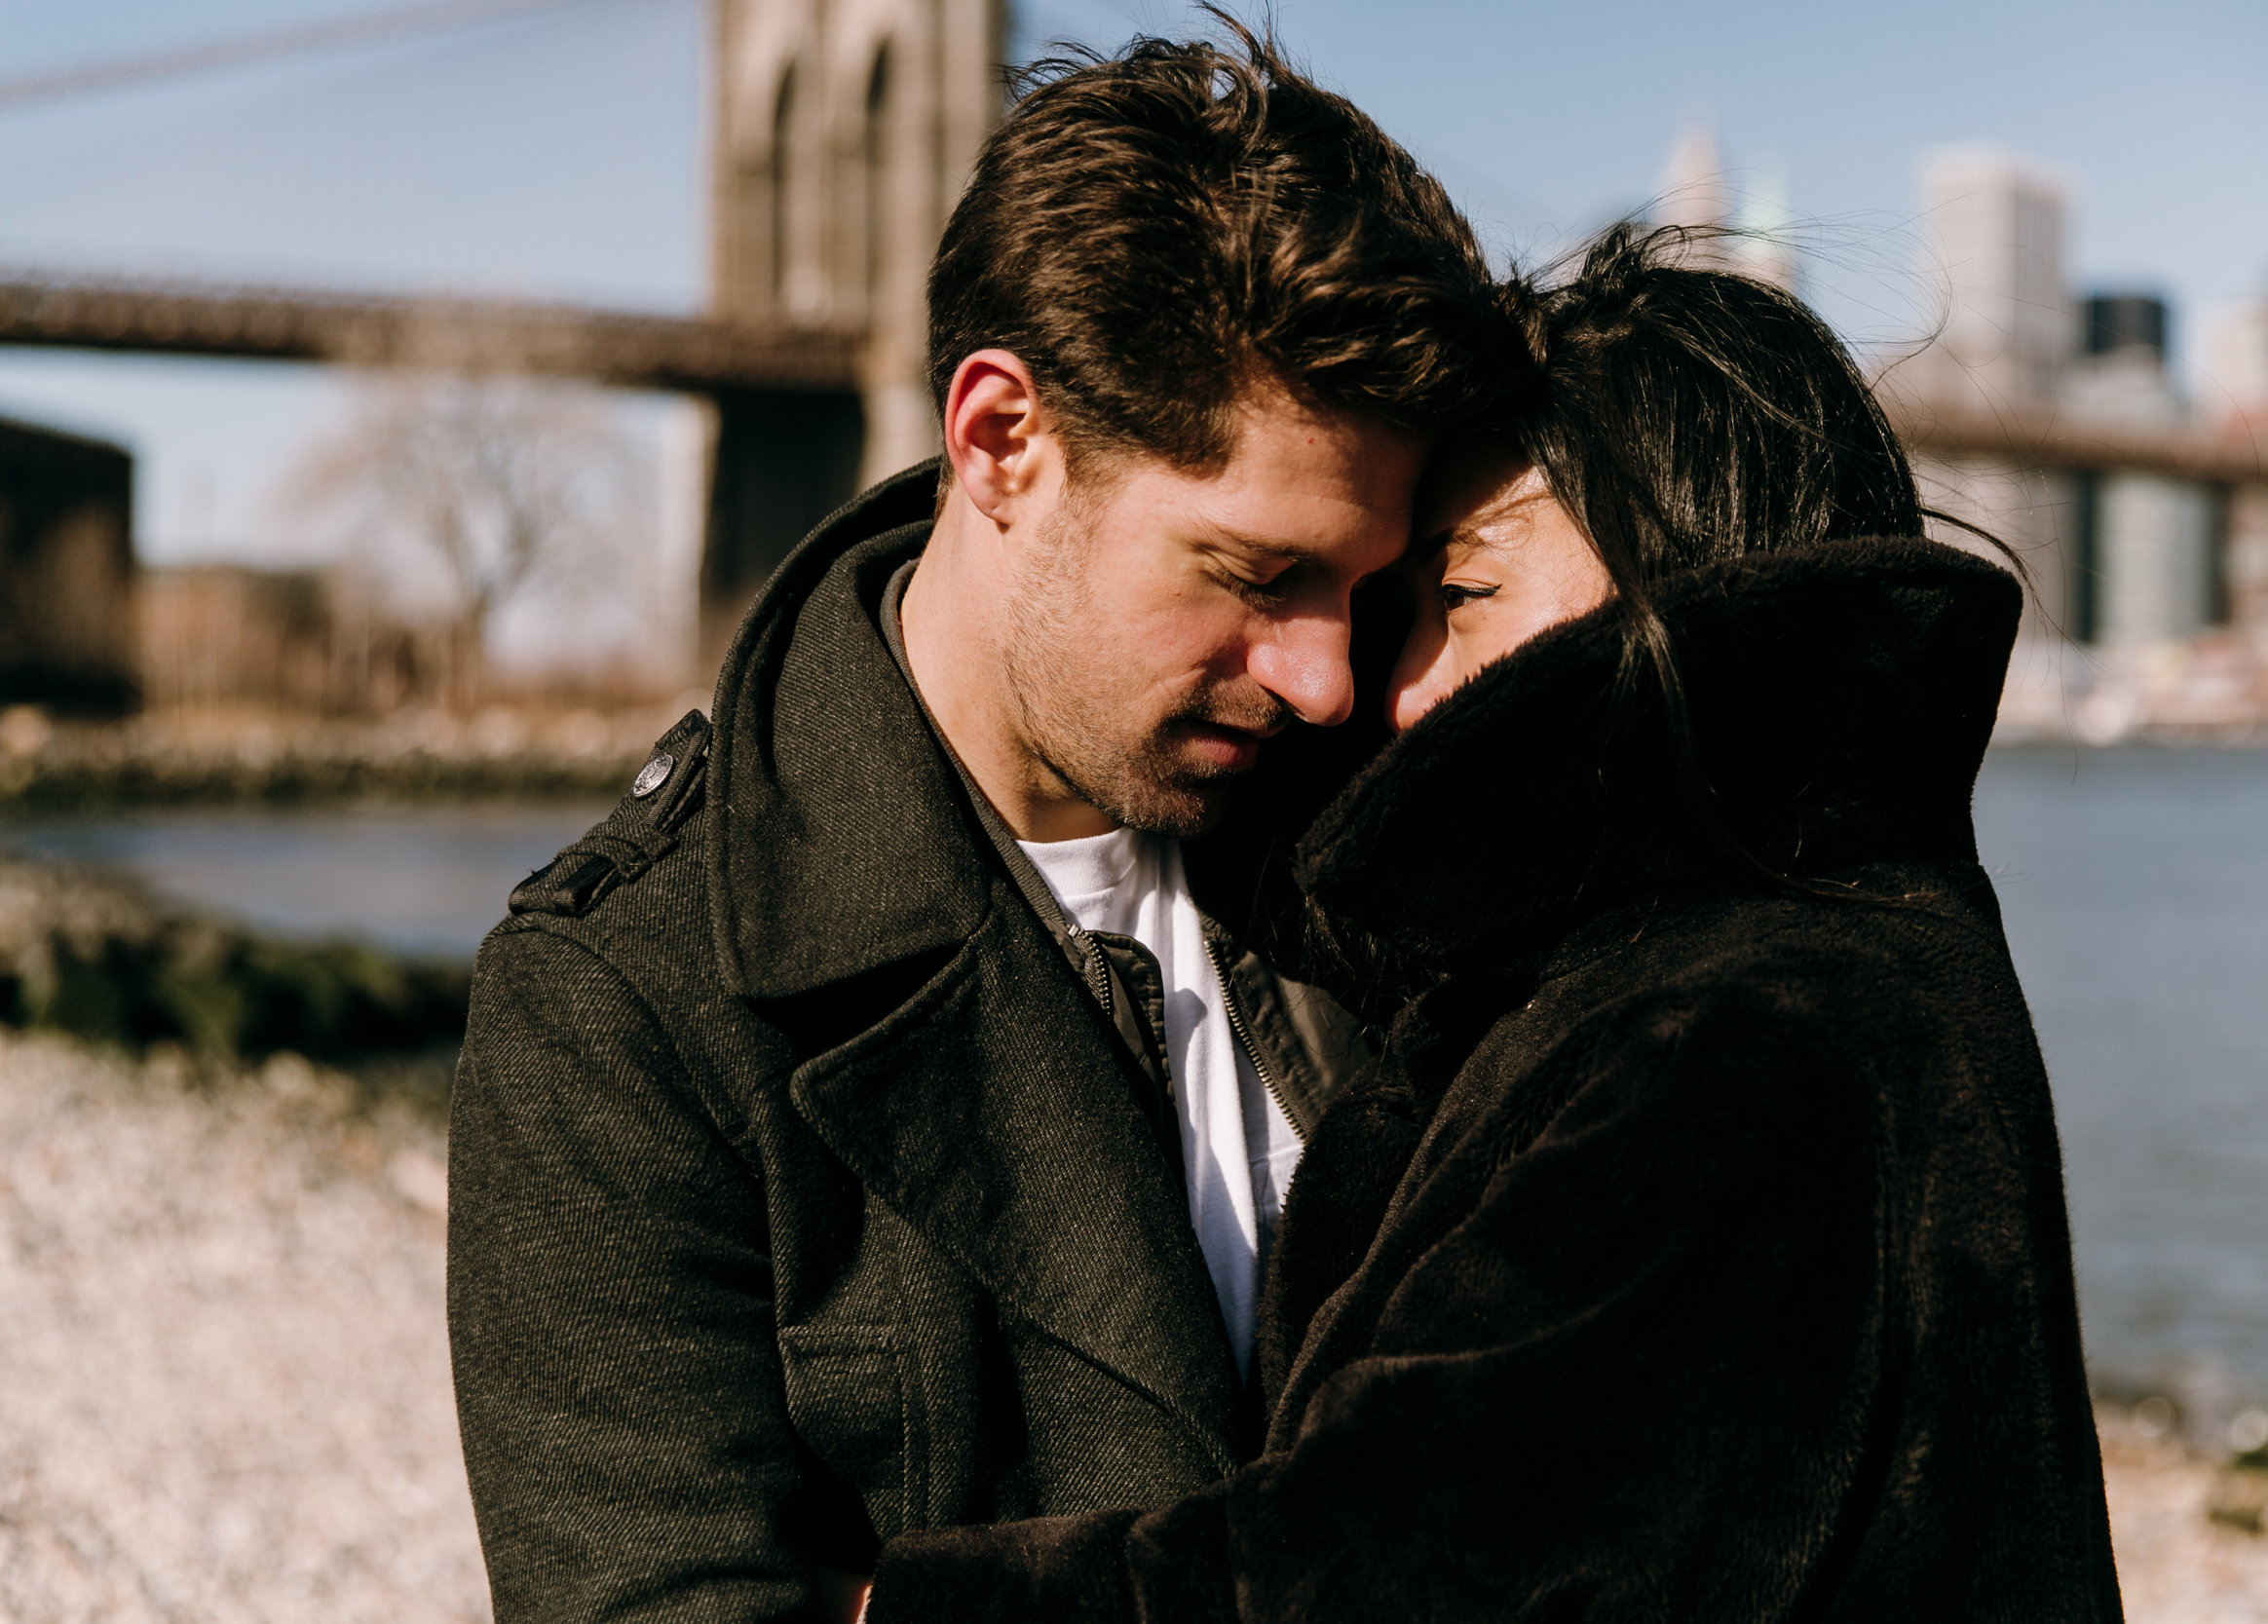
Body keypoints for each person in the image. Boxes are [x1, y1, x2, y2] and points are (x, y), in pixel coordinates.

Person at [858, 226, 2126, 1620]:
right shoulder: (1783, 942)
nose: (1381, 694)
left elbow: (1398, 1580)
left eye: (1458, 596)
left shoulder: (1756, 1033)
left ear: (1686, 572)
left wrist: (887, 1611)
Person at [444, 23, 1517, 1624]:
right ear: (1001, 439)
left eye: (1366, 591)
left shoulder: (1395, 833)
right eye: (1255, 576)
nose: (1321, 677)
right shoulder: (629, 1006)